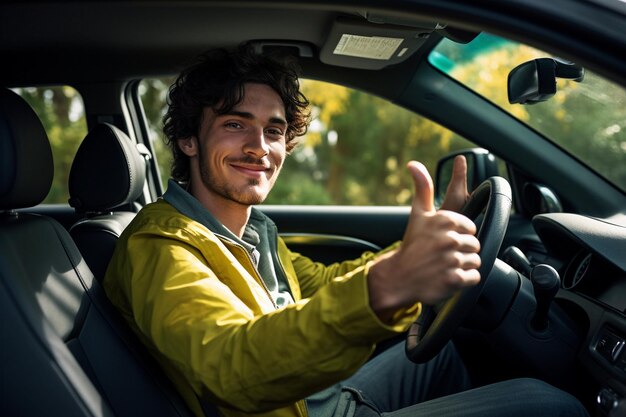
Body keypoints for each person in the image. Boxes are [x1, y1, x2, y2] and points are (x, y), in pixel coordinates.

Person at [103, 44, 589, 417]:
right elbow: (230, 366)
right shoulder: (162, 244)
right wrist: (389, 284)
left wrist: (415, 252)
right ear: (188, 139)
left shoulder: (252, 235)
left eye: (274, 131)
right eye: (235, 124)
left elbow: (327, 286)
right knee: (550, 405)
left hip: (314, 401)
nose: (260, 147)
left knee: (446, 356)